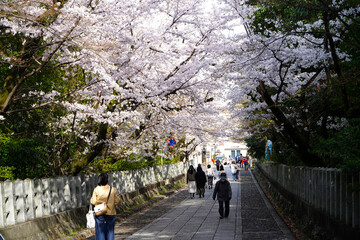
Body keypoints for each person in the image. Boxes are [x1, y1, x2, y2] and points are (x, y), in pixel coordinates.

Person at [91, 173, 121, 240]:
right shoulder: (112, 189)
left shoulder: (96, 189)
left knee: (101, 231)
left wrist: (100, 203)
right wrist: (112, 204)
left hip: (100, 212)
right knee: (110, 231)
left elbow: (93, 201)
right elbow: (118, 200)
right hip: (111, 212)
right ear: (107, 180)